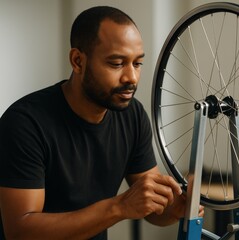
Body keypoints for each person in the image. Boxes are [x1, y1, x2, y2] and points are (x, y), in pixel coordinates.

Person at [0, 6, 203, 240]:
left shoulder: (132, 114)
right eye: (117, 64)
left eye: (137, 64)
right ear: (78, 61)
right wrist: (119, 207)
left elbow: (150, 209)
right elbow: (20, 231)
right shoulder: (25, 123)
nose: (131, 78)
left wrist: (173, 210)